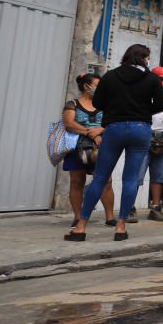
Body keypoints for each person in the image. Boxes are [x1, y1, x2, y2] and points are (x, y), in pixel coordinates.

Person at [65, 44, 163, 242]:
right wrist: (142, 111)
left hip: (114, 129)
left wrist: (117, 107)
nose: (148, 61)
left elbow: (98, 104)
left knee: (100, 178)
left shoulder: (111, 76)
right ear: (142, 57)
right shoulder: (152, 78)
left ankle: (81, 227)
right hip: (140, 130)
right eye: (147, 58)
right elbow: (161, 106)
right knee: (130, 179)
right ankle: (120, 227)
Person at [61, 73, 116, 229]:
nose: (101, 89)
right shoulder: (72, 104)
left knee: (107, 181)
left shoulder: (105, 104)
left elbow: (112, 121)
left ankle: (110, 217)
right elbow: (69, 123)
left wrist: (101, 131)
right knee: (77, 181)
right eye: (98, 85)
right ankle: (78, 217)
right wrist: (89, 132)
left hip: (102, 147)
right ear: (87, 86)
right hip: (76, 149)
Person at [140, 66, 163, 221]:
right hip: (144, 134)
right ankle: (130, 209)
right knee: (137, 173)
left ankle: (155, 208)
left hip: (161, 136)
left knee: (159, 175)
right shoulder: (141, 92)